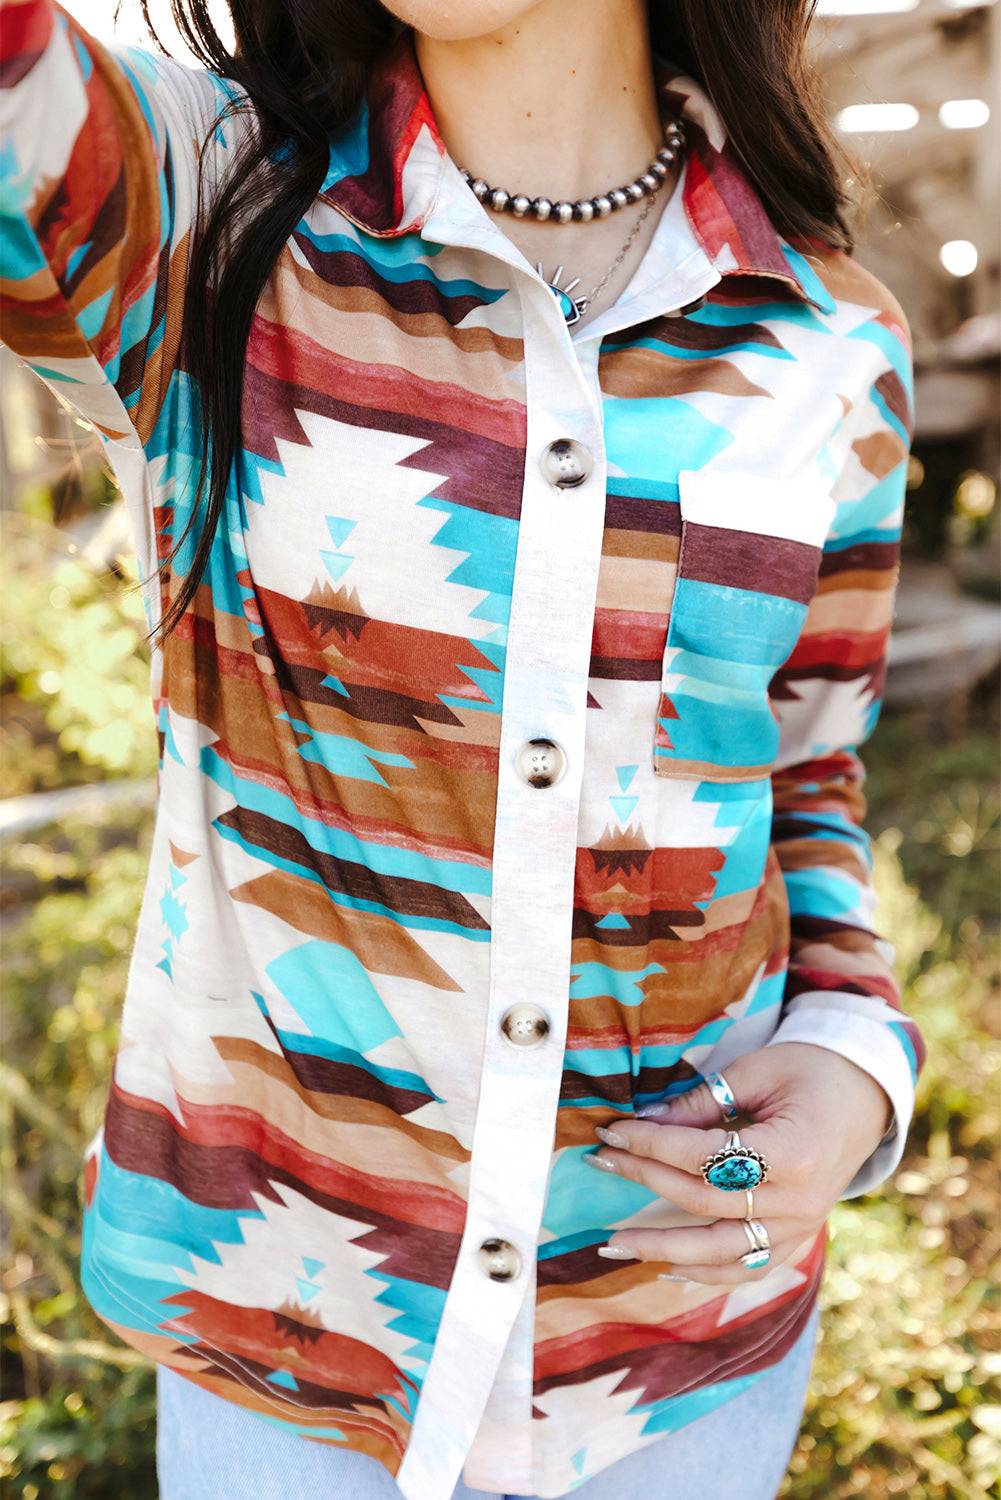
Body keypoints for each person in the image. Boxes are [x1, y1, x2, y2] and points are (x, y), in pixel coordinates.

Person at [0, 1, 927, 1496]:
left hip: (678, 1372)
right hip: (288, 1350)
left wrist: (853, 1062)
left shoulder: (830, 342)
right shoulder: (202, 213)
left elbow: (805, 767)